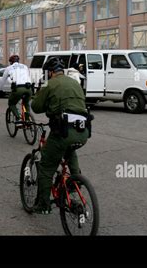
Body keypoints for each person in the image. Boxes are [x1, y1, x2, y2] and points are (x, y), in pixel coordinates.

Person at [31, 57, 92, 214]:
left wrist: (40, 91)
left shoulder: (49, 83)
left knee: (45, 166)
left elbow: (36, 107)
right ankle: (74, 181)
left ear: (50, 72)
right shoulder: (74, 82)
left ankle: (43, 205)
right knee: (69, 150)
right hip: (83, 131)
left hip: (63, 131)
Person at [1, 55, 32, 127]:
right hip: (28, 88)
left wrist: (0, 89)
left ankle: (19, 119)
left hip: (18, 89)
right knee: (26, 103)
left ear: (11, 62)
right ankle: (27, 120)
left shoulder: (9, 68)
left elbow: (3, 80)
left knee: (11, 103)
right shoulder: (25, 66)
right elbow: (28, 76)